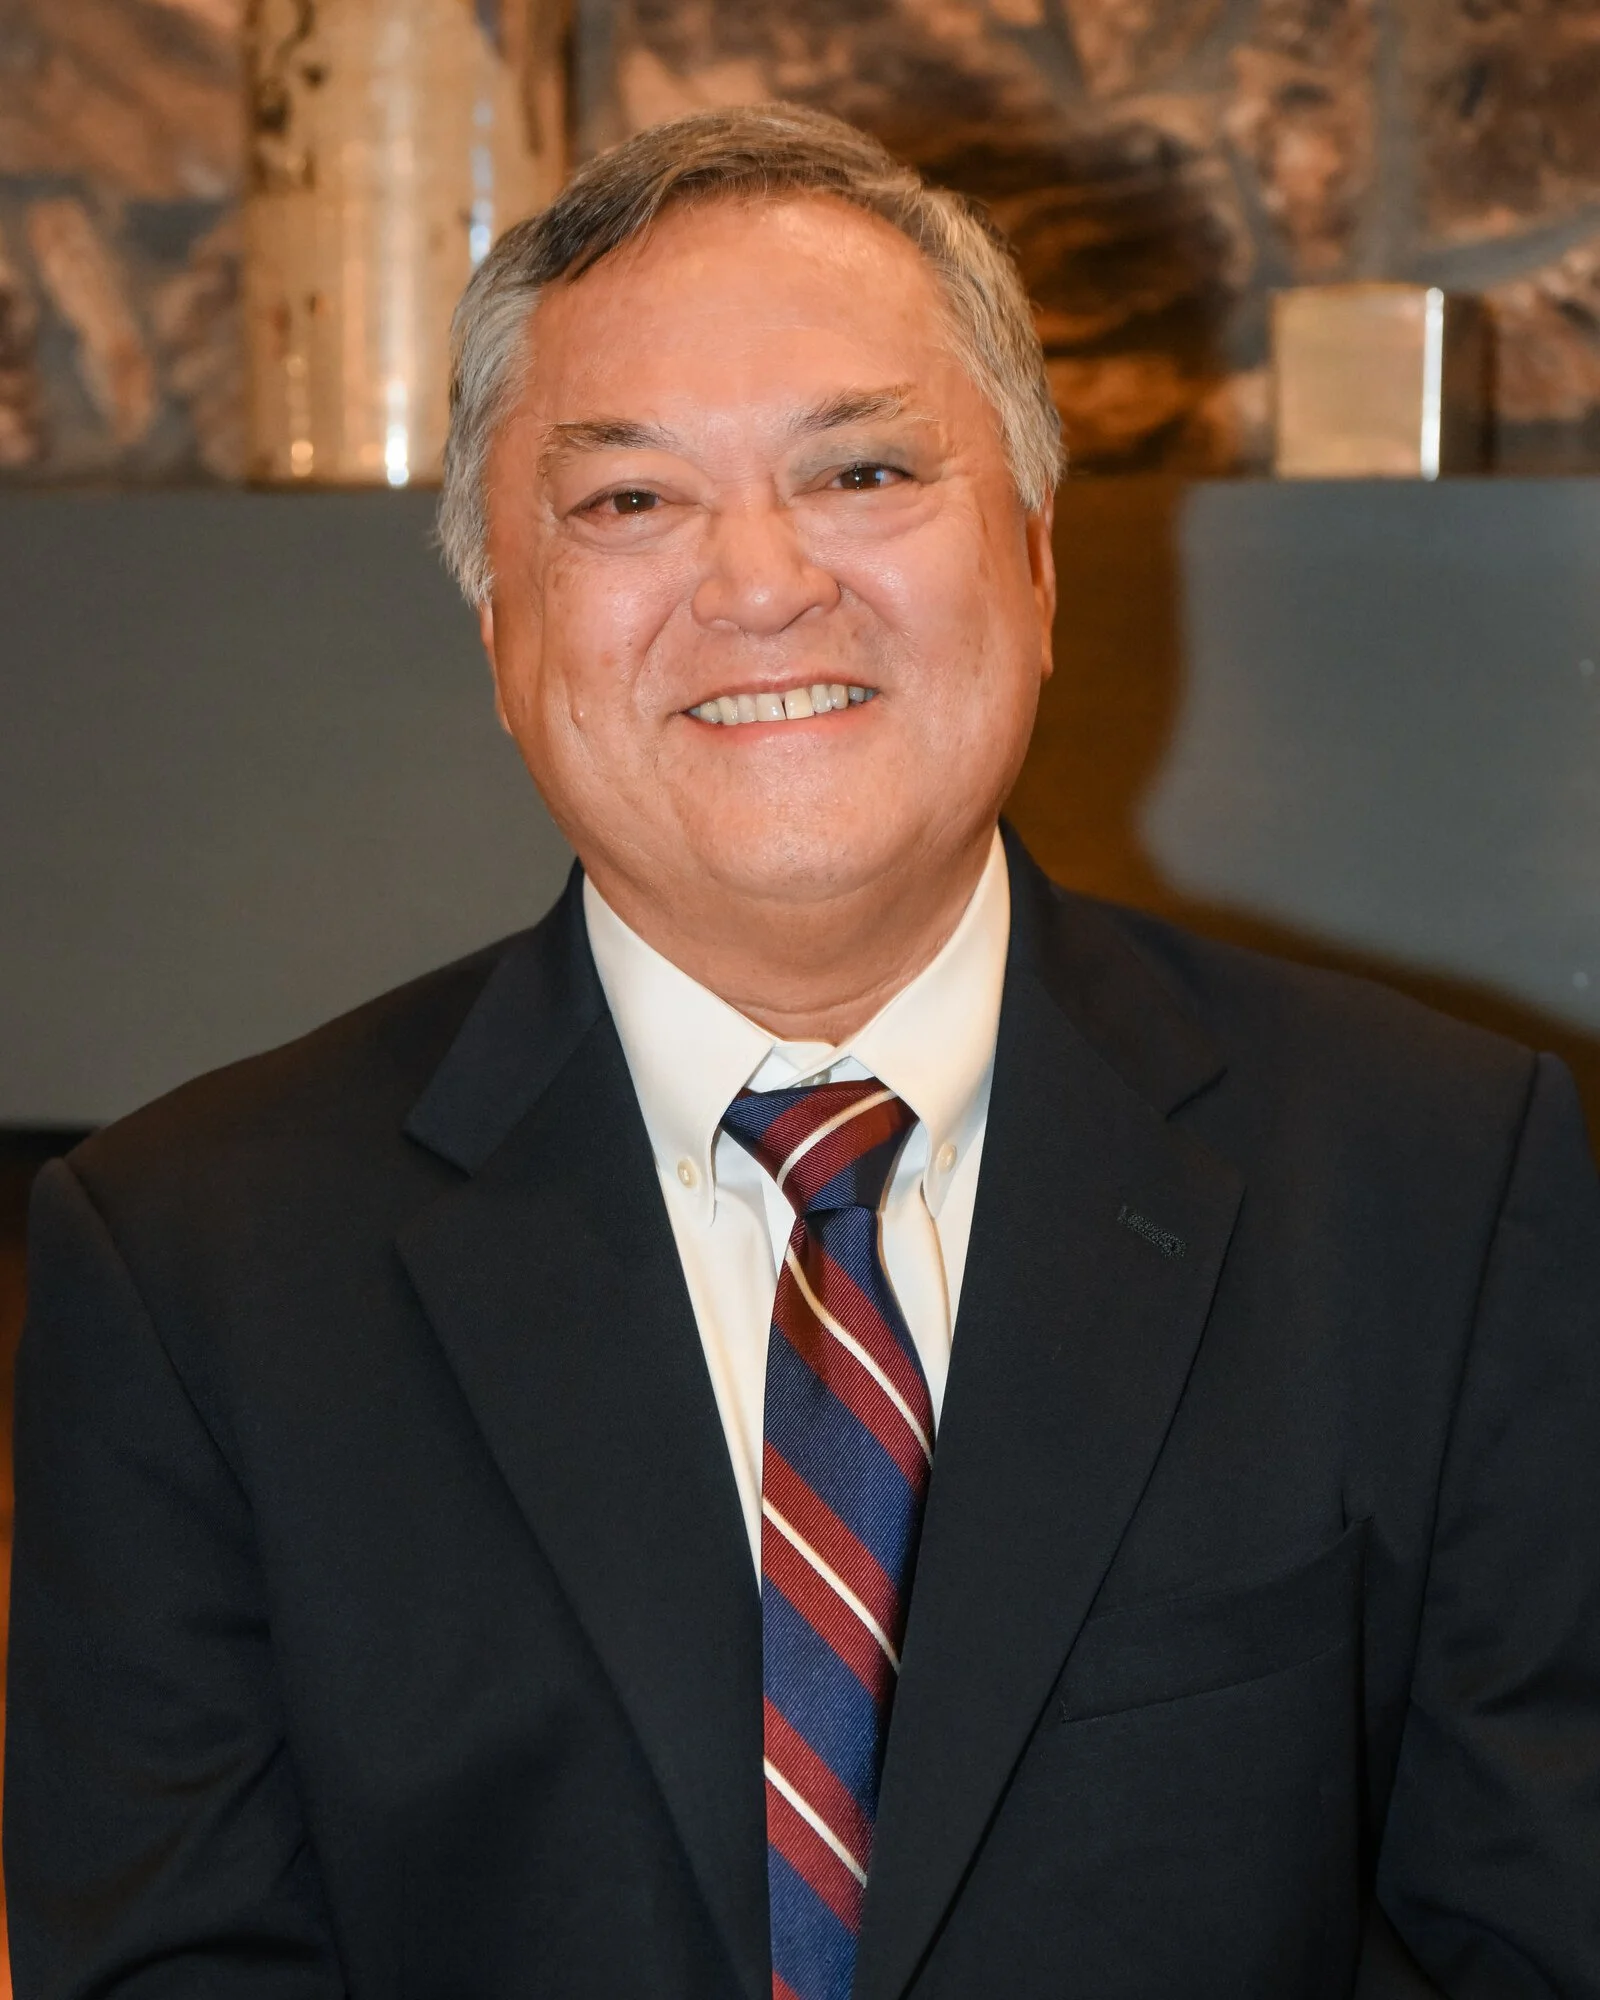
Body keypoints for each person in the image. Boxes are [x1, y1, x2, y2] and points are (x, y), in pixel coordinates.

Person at [7, 103, 1599, 2000]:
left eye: (859, 471)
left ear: (1036, 562)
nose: (760, 584)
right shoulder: (187, 1262)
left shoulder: (1441, 1175)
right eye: (627, 500)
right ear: (501, 633)